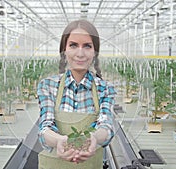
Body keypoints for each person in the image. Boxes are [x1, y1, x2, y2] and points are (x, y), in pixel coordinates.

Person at [37, 19, 116, 169]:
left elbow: (106, 126)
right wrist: (59, 141)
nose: (80, 53)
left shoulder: (105, 89)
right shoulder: (48, 86)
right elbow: (45, 127)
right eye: (73, 45)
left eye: (87, 46)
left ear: (95, 52)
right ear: (64, 50)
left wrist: (93, 138)